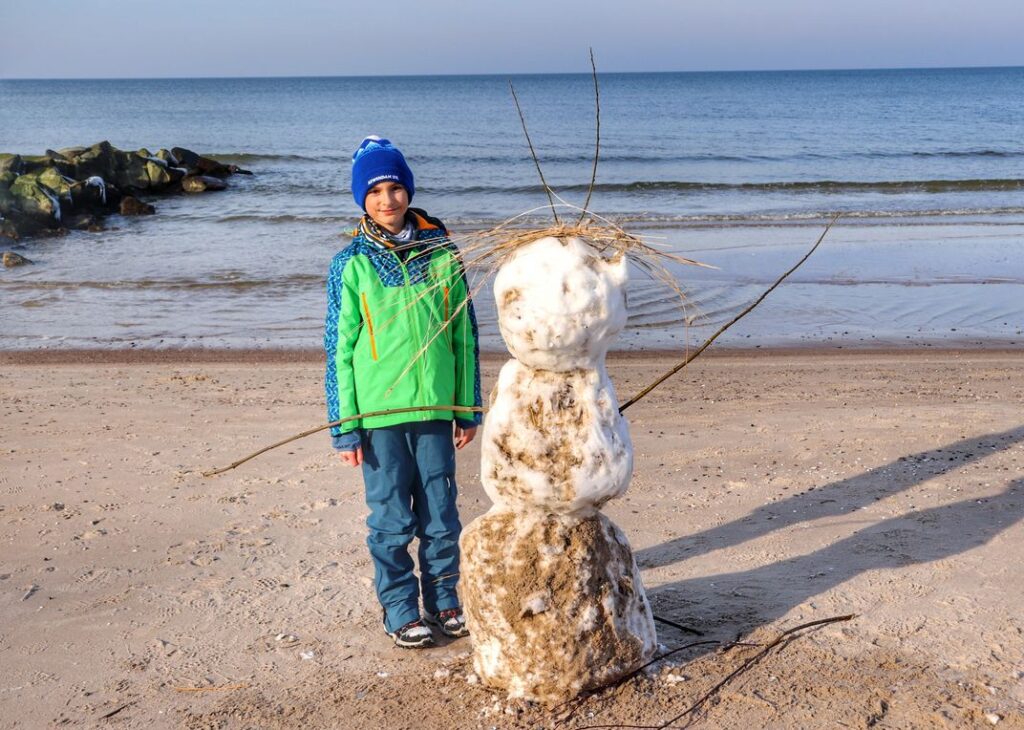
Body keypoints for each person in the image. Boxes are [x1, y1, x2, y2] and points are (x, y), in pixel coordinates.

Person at [324, 136, 482, 649]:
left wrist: (466, 407)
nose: (387, 200)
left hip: (435, 409)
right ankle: (398, 608)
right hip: (379, 417)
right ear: (361, 199)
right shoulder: (351, 263)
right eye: (375, 191)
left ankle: (444, 600)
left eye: (395, 188)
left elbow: (464, 335)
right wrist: (345, 426)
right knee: (391, 519)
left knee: (441, 512)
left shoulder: (442, 253)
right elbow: (338, 348)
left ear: (408, 191)